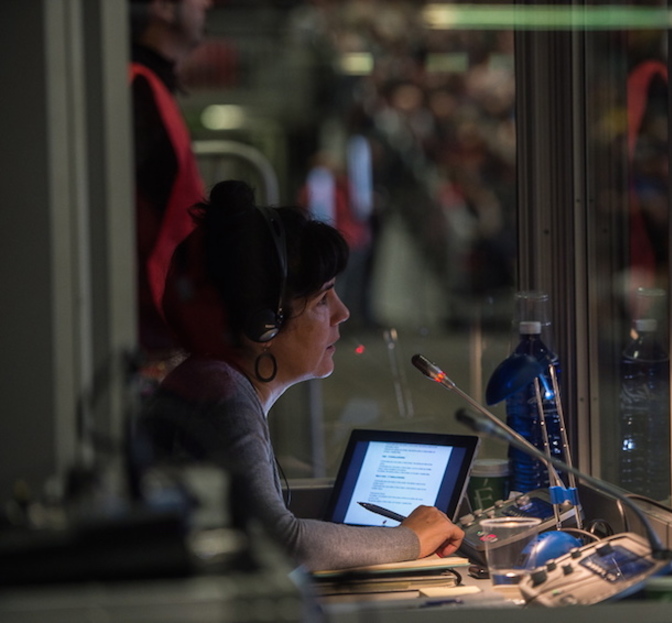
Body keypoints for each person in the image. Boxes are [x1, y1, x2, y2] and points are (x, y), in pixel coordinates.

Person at [138, 180, 464, 572]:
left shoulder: (205, 381)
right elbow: (282, 543)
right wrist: (411, 539)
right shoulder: (220, 393)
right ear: (263, 325)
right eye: (323, 299)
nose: (342, 312)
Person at [129, 0, 212, 364]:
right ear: (162, 8)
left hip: (161, 313)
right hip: (148, 319)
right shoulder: (136, 87)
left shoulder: (148, 86)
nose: (206, 4)